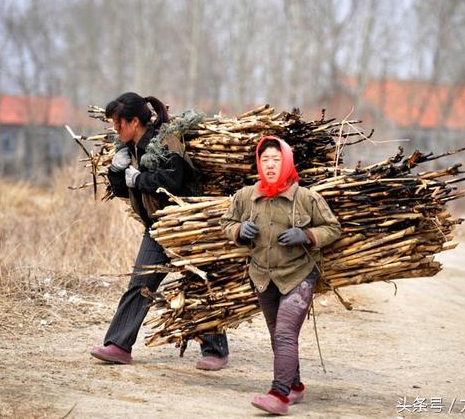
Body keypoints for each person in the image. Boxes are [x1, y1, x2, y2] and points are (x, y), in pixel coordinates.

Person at [90, 92, 229, 371]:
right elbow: (120, 190)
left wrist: (141, 178)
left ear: (135, 121)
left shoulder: (167, 140)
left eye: (119, 124)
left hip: (187, 224)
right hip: (156, 227)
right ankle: (118, 345)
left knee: (198, 283)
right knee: (140, 283)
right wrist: (117, 171)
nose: (116, 129)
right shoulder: (129, 148)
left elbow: (175, 181)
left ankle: (215, 351)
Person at [221, 136, 341, 414]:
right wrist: (238, 231)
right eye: (265, 160)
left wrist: (307, 235)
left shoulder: (306, 198)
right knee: (278, 334)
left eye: (276, 159)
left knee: (285, 332)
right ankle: (296, 386)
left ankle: (279, 393)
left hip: (299, 275)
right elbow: (225, 223)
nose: (271, 165)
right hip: (263, 276)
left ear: (286, 162)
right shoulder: (246, 197)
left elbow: (333, 228)